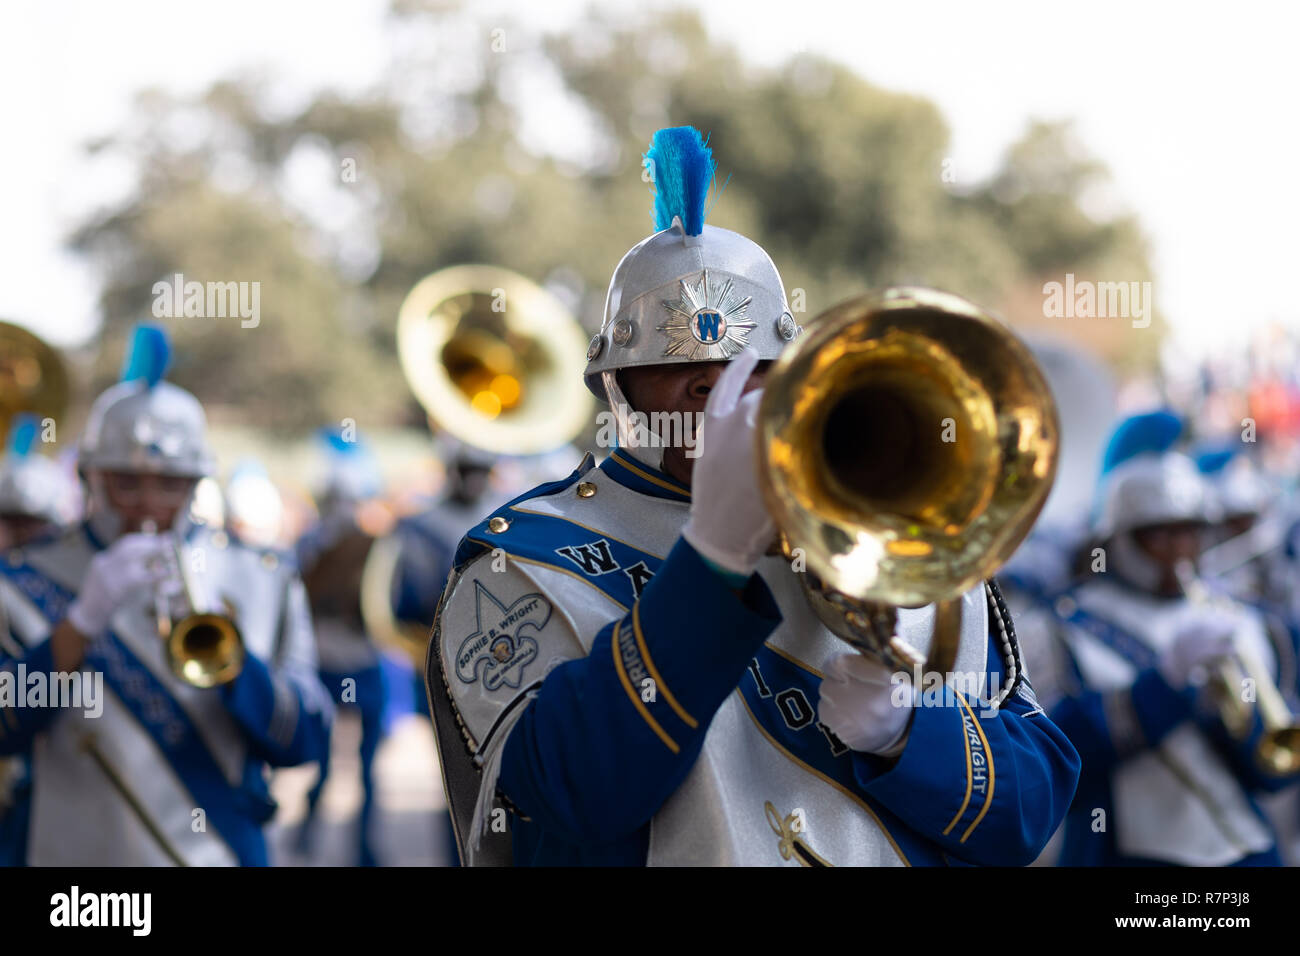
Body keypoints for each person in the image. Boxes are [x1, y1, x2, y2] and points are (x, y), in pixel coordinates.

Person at [425, 126, 1080, 866]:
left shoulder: (906, 525)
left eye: (751, 361)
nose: (714, 383)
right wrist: (711, 558)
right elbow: (573, 794)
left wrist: (913, 736)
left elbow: (1032, 812)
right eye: (676, 365)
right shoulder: (524, 556)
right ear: (615, 386)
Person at [0, 325, 332, 866]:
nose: (148, 504)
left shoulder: (259, 572)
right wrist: (78, 626)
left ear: (196, 483)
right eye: (125, 483)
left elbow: (303, 742)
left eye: (170, 484)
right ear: (91, 478)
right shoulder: (20, 578)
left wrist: (231, 662)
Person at [1026, 411, 1300, 865]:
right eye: (1160, 535)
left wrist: (1238, 715)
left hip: (1248, 854)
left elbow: (1271, 775)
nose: (1179, 551)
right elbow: (1050, 762)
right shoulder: (1058, 625)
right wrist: (1166, 684)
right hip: (1123, 854)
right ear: (1117, 539)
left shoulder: (1241, 617)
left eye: (1190, 533)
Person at [294, 428, 388, 866]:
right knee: (353, 765)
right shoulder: (365, 543)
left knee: (346, 764)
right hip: (345, 661)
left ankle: (330, 840)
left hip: (343, 660)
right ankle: (354, 847)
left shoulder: (313, 542)